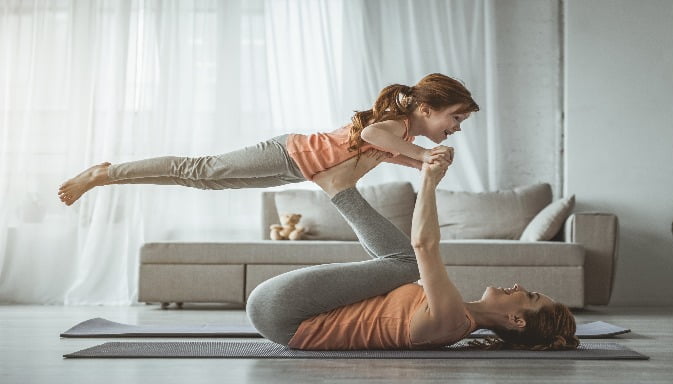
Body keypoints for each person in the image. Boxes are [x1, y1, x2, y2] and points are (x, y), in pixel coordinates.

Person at [246, 149, 580, 351]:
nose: (520, 287)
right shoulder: (455, 316)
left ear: (516, 320)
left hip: (283, 313)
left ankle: (339, 187)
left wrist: (429, 180)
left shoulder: (450, 321)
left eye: (531, 296)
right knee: (402, 266)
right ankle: (339, 187)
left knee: (407, 265)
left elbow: (423, 246)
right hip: (281, 313)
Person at [57, 73, 479, 206]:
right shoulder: (393, 126)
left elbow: (395, 156)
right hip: (289, 152)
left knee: (202, 181)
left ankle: (110, 177)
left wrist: (426, 163)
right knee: (199, 169)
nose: (457, 126)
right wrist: (425, 153)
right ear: (426, 110)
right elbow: (371, 134)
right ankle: (106, 172)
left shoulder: (401, 135)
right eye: (455, 117)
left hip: (292, 170)